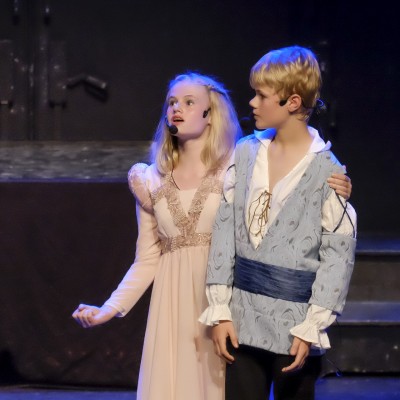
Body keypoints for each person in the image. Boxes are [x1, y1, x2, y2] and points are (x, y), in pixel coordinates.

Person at [72, 71, 352, 400]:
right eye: (172, 102)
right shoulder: (150, 180)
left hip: (225, 305)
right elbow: (147, 259)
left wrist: (335, 186)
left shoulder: (240, 164)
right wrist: (109, 308)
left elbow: (285, 190)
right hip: (172, 311)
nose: (177, 108)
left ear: (210, 113)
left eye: (189, 102)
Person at [199, 46, 357, 400]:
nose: (252, 103)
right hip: (241, 319)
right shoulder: (245, 153)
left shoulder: (328, 171)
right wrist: (221, 310)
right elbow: (224, 231)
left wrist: (312, 326)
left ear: (292, 102)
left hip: (295, 325)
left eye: (261, 95)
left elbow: (338, 254)